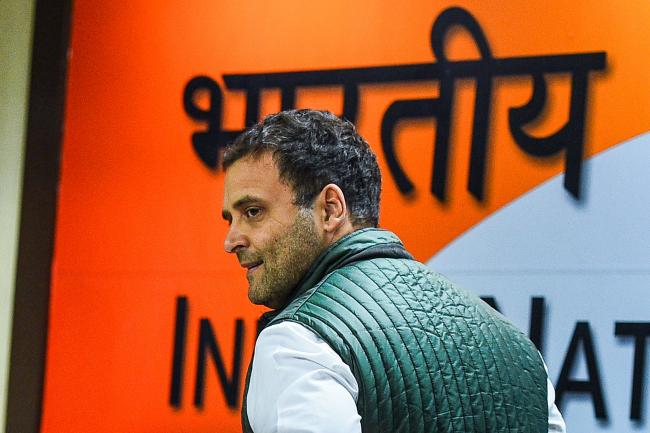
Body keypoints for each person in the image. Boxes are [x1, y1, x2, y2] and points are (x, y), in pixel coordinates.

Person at [221, 109, 566, 433]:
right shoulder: (518, 348)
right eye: (231, 219)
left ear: (329, 209)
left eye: (253, 211)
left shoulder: (299, 342)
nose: (231, 240)